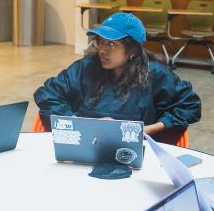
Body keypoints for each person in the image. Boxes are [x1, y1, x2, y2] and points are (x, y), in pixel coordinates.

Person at [34, 12, 201, 138]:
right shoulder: (86, 68)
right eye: (100, 41)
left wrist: (148, 130)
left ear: (132, 51)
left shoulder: (155, 74)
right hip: (85, 143)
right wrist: (79, 122)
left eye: (111, 44)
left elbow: (190, 106)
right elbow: (48, 94)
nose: (102, 49)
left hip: (132, 152)